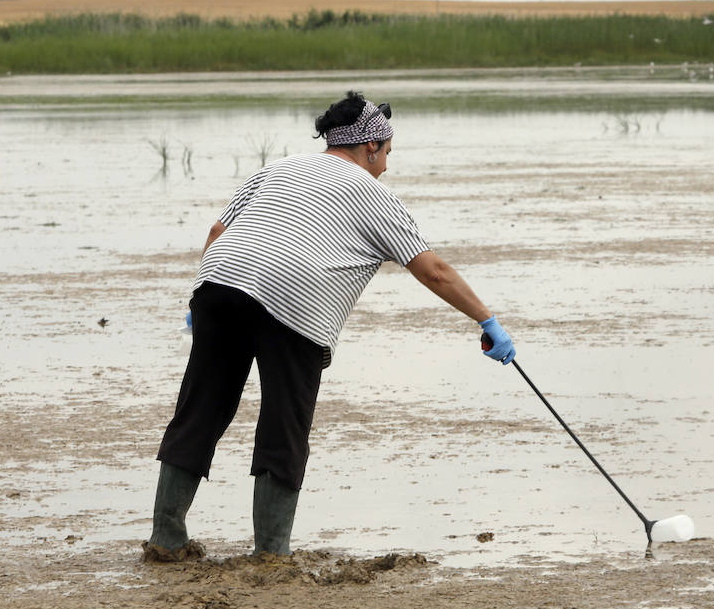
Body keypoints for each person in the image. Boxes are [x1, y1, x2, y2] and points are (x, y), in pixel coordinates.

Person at [143, 91, 515, 562]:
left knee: (199, 411)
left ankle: (166, 540)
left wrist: (203, 299)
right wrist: (486, 319)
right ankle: (271, 557)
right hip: (294, 304)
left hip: (220, 286)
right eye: (387, 156)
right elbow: (432, 270)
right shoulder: (372, 192)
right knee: (284, 425)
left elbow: (219, 233)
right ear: (371, 147)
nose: (386, 168)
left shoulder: (276, 169)